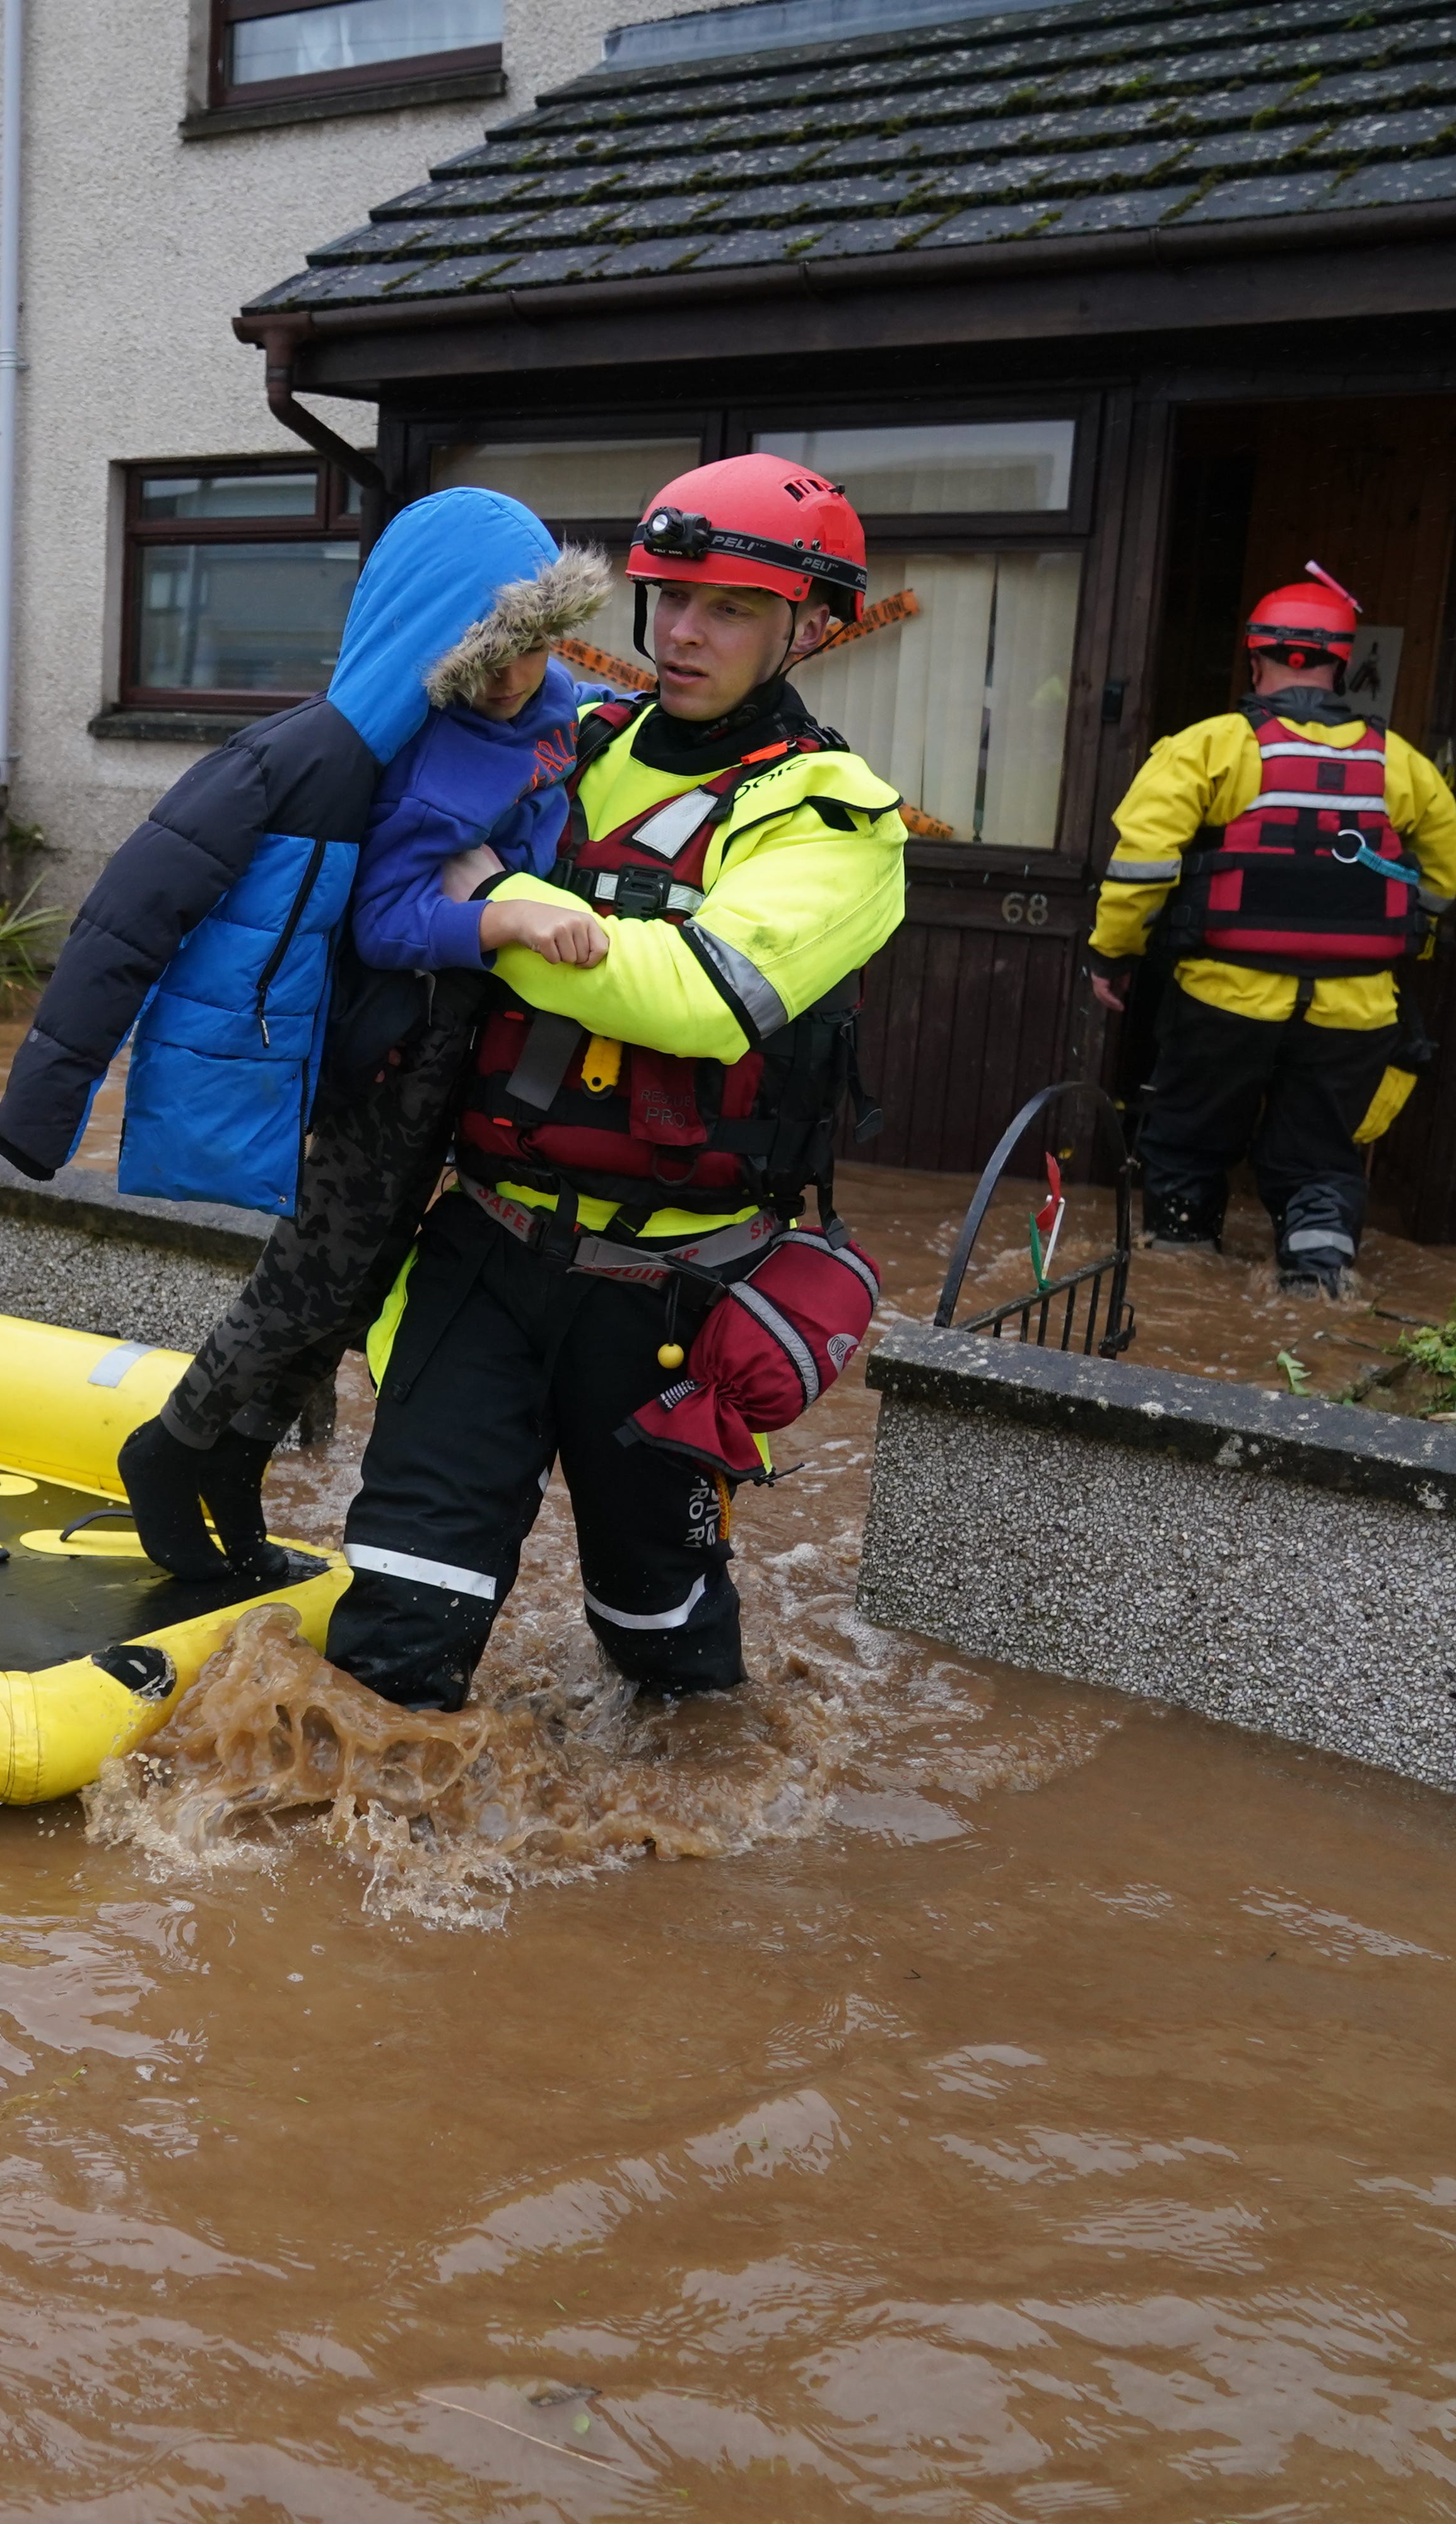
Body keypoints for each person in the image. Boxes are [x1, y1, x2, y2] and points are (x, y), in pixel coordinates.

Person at [322, 454, 908, 1711]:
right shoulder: (562, 739)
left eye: (730, 609)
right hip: (481, 1256)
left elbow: (698, 998)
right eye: (668, 596)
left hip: (676, 1301)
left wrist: (494, 898)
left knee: (674, 1666)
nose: (683, 632)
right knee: (388, 1649)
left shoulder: (836, 819)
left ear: (810, 627)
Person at [0, 490, 613, 1576]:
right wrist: (49, 1102)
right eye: (490, 649)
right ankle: (175, 1447)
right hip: (375, 1062)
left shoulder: (562, 716)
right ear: (436, 640)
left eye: (535, 645)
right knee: (313, 1276)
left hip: (465, 1062)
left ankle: (235, 1457)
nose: (515, 674)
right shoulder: (355, 753)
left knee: (360, 1288)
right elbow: (147, 902)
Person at [1085, 567, 1456, 1294]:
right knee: (1321, 1159)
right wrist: (1402, 943)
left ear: (1255, 659)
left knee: (1188, 1143)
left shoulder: (1210, 746)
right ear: (1342, 665)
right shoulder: (1405, 765)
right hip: (1356, 1010)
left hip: (1223, 999)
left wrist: (1113, 954)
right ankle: (1317, 1290)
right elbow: (1447, 875)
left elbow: (1141, 864)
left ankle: (1180, 1279)